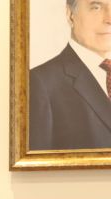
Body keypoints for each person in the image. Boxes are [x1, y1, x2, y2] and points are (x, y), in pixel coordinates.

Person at [29, 0, 111, 150]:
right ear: (70, 14)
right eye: (96, 7)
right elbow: (37, 162)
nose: (109, 19)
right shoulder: (40, 83)